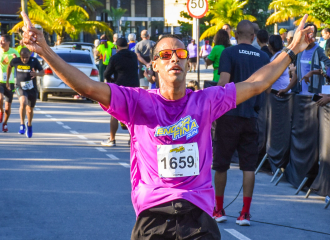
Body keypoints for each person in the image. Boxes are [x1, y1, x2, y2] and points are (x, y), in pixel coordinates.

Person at [21, 11, 314, 239]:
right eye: (165, 55)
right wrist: (44, 50)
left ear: (188, 64)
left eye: (180, 53)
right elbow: (87, 86)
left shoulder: (206, 101)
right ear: (154, 66)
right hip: (153, 217)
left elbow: (256, 84)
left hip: (198, 217)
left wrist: (292, 49)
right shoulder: (137, 102)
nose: (174, 57)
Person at [212, 20, 270, 225]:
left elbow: (224, 81)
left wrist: (212, 108)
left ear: (236, 35)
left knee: (221, 164)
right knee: (248, 167)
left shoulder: (229, 53)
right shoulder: (264, 57)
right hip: (251, 117)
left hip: (228, 115)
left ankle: (219, 210)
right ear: (253, 36)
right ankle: (244, 213)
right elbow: (266, 87)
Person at [101, 37, 140, 147]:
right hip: (134, 89)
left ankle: (112, 139)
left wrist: (112, 81)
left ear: (117, 47)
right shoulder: (133, 56)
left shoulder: (115, 57)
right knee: (131, 114)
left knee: (114, 113)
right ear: (127, 45)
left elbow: (106, 74)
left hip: (120, 88)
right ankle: (131, 140)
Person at [7, 48, 44, 137]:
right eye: (23, 57)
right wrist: (7, 80)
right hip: (20, 87)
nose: (24, 59)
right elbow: (9, 66)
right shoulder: (15, 61)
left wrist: (36, 74)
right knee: (23, 102)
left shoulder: (34, 61)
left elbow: (42, 72)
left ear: (30, 55)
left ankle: (29, 125)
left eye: (27, 57)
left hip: (32, 88)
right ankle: (22, 124)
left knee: (30, 109)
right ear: (20, 56)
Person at [0, 34, 20, 132]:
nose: (0, 42)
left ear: (8, 42)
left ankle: (5, 123)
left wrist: (16, 60)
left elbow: (21, 64)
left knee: (8, 107)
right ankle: (0, 111)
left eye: (2, 41)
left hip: (10, 82)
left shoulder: (14, 52)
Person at [294, 23, 330, 94]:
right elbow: (296, 74)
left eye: (312, 33)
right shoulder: (300, 51)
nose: (310, 36)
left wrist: (313, 72)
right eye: (308, 33)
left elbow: (329, 68)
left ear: (315, 35)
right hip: (301, 94)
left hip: (314, 94)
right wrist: (286, 89)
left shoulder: (319, 51)